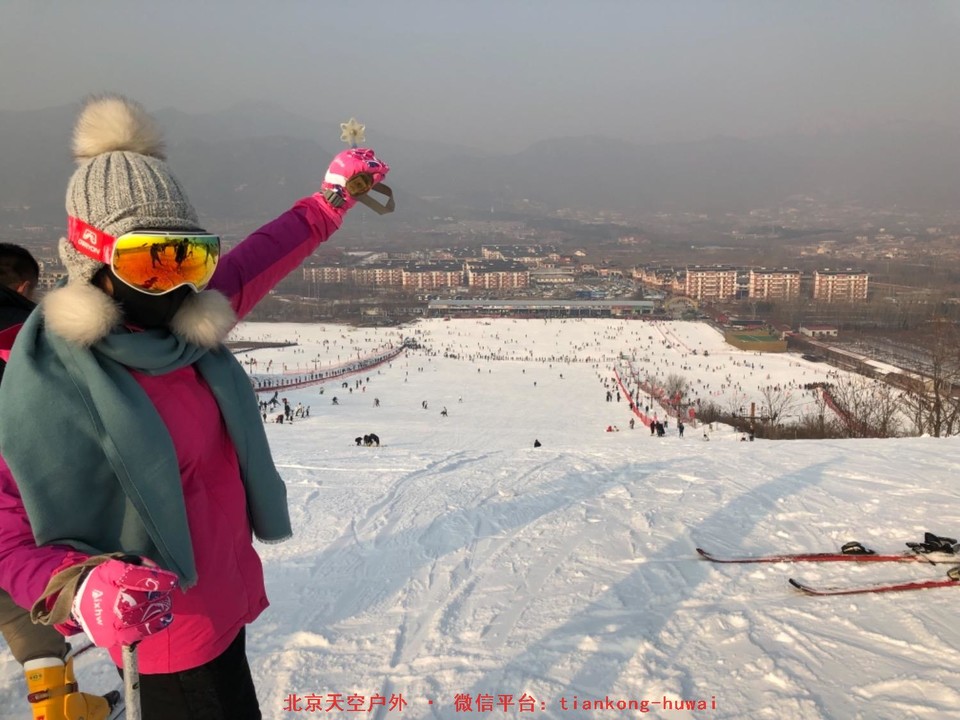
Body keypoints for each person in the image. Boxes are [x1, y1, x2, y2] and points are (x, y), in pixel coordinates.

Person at [0, 95, 389, 719]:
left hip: (224, 599)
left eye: (191, 256)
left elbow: (262, 255)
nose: (176, 280)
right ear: (93, 260)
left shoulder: (183, 331)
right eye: (148, 261)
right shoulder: (46, 377)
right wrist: (75, 584)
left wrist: (331, 200)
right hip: (160, 629)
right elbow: (6, 528)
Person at [0, 244, 120, 719]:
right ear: (24, 286)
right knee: (23, 586)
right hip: (20, 482)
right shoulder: (30, 340)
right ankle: (57, 708)